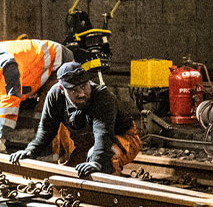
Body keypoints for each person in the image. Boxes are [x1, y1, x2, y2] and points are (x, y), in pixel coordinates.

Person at [8, 61, 141, 177]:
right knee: (72, 174)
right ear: (62, 89)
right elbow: (46, 131)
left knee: (105, 160)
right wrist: (30, 151)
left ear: (88, 82)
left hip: (123, 138)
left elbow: (103, 135)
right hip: (90, 143)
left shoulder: (102, 98)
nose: (81, 93)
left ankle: (110, 192)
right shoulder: (55, 96)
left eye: (84, 86)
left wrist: (96, 162)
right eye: (74, 90)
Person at [0, 38, 67, 150]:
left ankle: (51, 154)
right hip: (37, 67)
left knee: (44, 113)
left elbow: (10, 99)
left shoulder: (7, 65)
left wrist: (1, 137)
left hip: (58, 62)